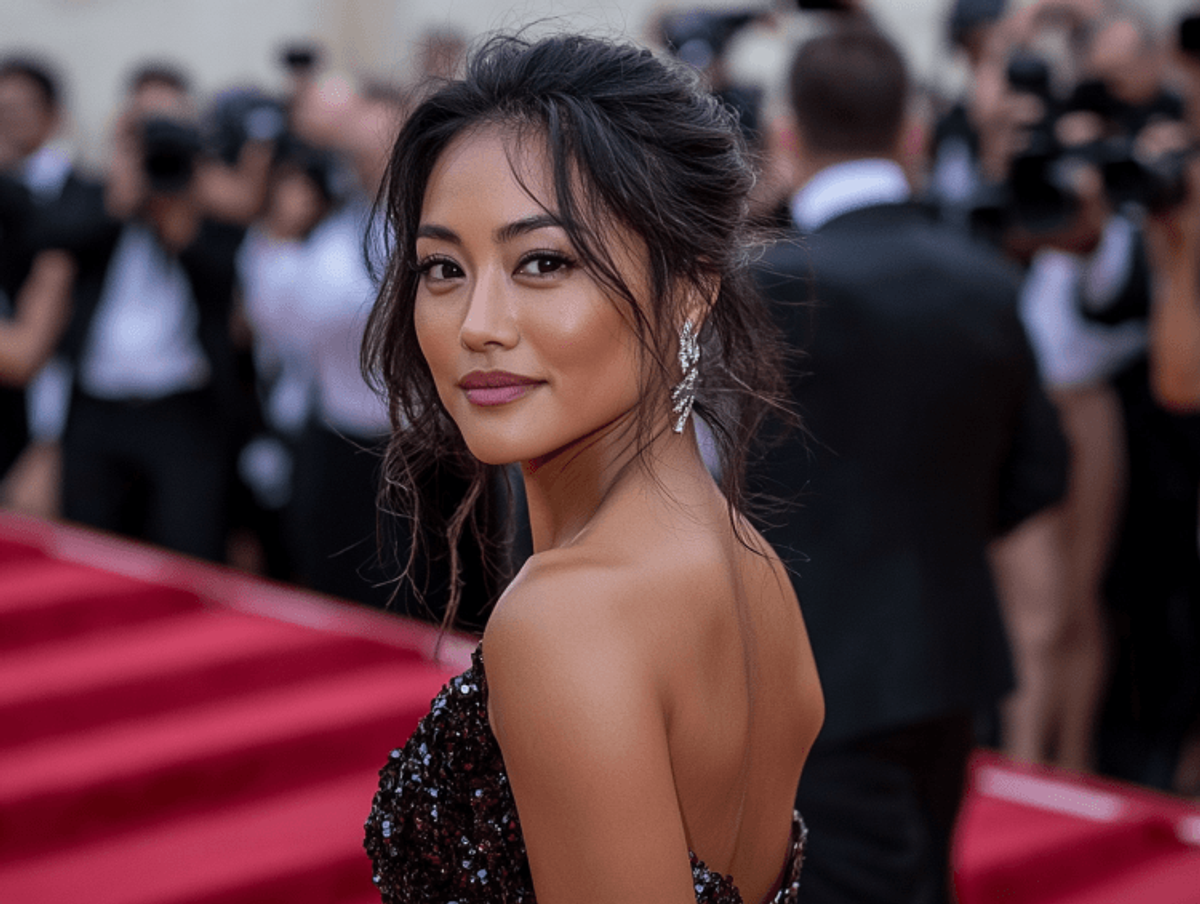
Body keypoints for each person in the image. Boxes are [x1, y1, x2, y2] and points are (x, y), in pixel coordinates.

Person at [362, 33, 823, 903]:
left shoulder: (566, 619)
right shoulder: (751, 563)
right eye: (442, 268)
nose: (476, 324)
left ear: (689, 287)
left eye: (544, 262)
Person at [750, 25, 1067, 904]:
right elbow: (1042, 473)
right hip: (950, 661)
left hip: (809, 673)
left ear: (786, 135)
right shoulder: (987, 280)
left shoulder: (767, 286)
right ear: (914, 134)